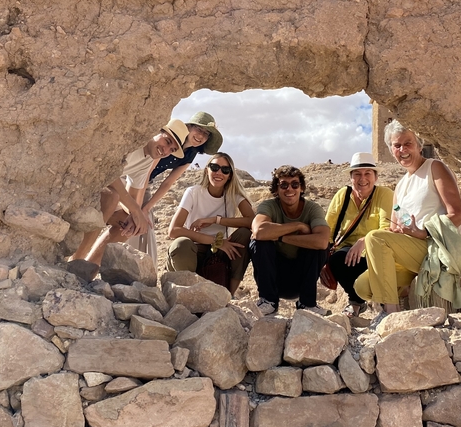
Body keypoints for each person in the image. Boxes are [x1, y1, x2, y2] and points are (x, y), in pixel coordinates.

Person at [354, 120, 461, 328]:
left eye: (408, 143)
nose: (402, 150)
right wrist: (367, 239)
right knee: (362, 286)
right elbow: (394, 227)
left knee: (375, 238)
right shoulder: (401, 185)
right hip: (411, 251)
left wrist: (423, 231)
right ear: (391, 150)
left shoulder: (434, 168)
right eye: (397, 145)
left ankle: (391, 314)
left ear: (419, 144)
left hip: (435, 248)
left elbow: (457, 214)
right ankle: (407, 292)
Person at [66, 119, 190, 281]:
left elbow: (133, 194)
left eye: (172, 149)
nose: (166, 150)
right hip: (77, 186)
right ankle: (74, 263)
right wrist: (136, 211)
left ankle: (88, 270)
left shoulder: (147, 159)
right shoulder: (133, 143)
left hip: (94, 195)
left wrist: (135, 217)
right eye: (167, 141)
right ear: (157, 131)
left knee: (129, 223)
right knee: (112, 197)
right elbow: (108, 173)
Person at [132, 112, 223, 262]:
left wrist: (146, 208)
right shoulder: (172, 141)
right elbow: (146, 172)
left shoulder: (191, 153)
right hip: (135, 177)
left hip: (146, 183)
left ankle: (144, 266)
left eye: (206, 134)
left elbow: (168, 182)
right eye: (199, 129)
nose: (201, 136)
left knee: (147, 222)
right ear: (189, 127)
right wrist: (138, 207)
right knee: (133, 217)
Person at [166, 152, 254, 294]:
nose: (219, 173)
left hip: (219, 253)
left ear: (230, 175)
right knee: (181, 244)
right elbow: (173, 230)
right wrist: (215, 241)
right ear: (207, 170)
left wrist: (215, 220)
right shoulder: (193, 192)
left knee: (245, 234)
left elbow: (252, 221)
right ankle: (190, 292)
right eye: (214, 167)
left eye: (225, 170)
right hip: (194, 250)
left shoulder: (234, 196)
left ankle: (228, 295)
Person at [249, 165, 330, 316]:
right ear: (276, 189)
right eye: (284, 185)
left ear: (302, 188)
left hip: (301, 277)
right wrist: (298, 226)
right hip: (274, 276)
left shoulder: (312, 209)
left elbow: (323, 241)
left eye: (295, 184)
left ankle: (307, 303)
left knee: (318, 247)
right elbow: (259, 231)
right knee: (259, 243)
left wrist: (280, 237)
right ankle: (268, 300)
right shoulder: (269, 206)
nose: (289, 189)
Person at [324, 152, 393, 319]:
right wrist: (322, 257)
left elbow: (386, 228)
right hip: (347, 252)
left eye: (368, 173)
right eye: (357, 174)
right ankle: (355, 302)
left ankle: (385, 305)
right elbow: (327, 228)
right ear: (351, 177)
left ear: (375, 177)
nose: (363, 179)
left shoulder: (384, 194)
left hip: (375, 250)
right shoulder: (342, 195)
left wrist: (364, 241)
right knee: (337, 260)